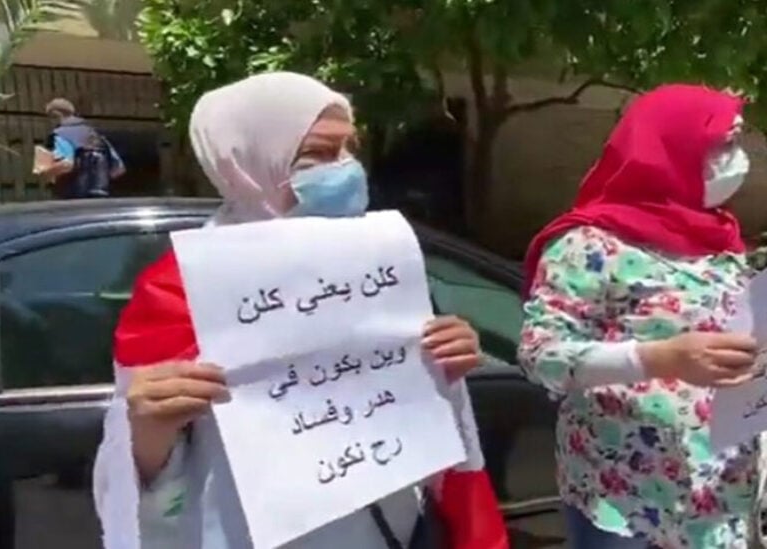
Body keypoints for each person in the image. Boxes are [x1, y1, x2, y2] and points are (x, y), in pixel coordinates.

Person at [93, 72, 509, 549]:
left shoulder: (379, 269)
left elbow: (433, 437)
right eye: (319, 155)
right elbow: (133, 486)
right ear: (248, 163)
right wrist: (147, 429)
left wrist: (446, 364)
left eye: (350, 149)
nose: (347, 170)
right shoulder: (180, 291)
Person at [518, 84, 761, 548]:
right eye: (723, 144)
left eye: (738, 141)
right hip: (627, 500)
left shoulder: (719, 239)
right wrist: (659, 358)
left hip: (721, 497)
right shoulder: (590, 245)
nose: (737, 157)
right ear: (671, 148)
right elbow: (540, 355)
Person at [38, 98, 125, 199]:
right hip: (101, 194)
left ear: (56, 114)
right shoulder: (95, 134)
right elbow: (118, 169)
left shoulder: (59, 134)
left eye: (49, 117)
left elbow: (63, 165)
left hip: (74, 195)